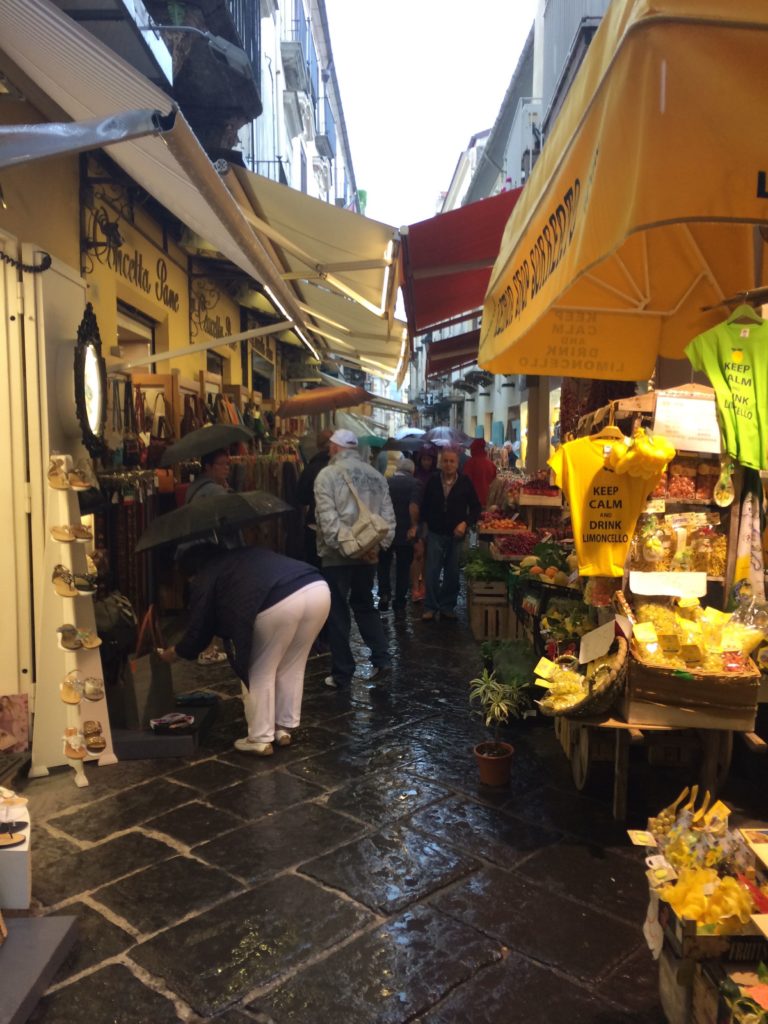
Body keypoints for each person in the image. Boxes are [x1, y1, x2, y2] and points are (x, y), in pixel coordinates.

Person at [159, 545, 330, 756]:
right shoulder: (238, 557)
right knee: (291, 665)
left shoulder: (205, 576)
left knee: (260, 670)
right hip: (317, 588)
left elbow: (198, 631)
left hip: (277, 600)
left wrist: (176, 652)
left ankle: (259, 738)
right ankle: (282, 728)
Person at [314, 429, 396, 688]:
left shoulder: (326, 476)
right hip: (368, 556)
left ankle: (342, 673)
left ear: (336, 448)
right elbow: (388, 520)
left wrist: (347, 547)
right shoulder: (376, 476)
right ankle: (382, 659)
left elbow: (328, 521)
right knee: (364, 605)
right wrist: (375, 546)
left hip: (337, 557)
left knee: (337, 612)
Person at [410, 448, 481, 621]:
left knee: (452, 572)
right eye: (446, 461)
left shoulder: (465, 482)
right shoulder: (433, 481)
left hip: (456, 535)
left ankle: (447, 606)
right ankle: (430, 606)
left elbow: (476, 507)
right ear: (441, 463)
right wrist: (420, 529)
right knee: (432, 571)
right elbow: (425, 506)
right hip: (435, 533)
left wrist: (465, 523)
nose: (449, 465)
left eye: (452, 461)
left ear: (457, 464)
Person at [183, 447, 235, 665]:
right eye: (222, 464)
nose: (227, 469)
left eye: (228, 464)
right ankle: (208, 648)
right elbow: (228, 520)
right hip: (210, 550)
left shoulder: (194, 488)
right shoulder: (215, 492)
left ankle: (208, 646)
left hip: (195, 550)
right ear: (209, 467)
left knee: (205, 600)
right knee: (213, 600)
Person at [377, 458, 419, 612]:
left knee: (383, 565)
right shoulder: (415, 484)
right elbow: (413, 506)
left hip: (386, 530)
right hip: (405, 532)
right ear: (412, 471)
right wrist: (414, 526)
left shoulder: (386, 482)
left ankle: (384, 594)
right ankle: (399, 600)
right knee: (403, 568)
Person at [296, 429, 332, 567]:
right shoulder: (341, 468)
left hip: (314, 526)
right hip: (339, 528)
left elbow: (301, 497)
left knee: (315, 566)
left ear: (318, 446)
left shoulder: (310, 469)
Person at [462, 438, 498, 507]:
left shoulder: (470, 463)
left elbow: (465, 483)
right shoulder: (491, 464)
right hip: (488, 500)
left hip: (472, 500)